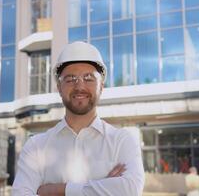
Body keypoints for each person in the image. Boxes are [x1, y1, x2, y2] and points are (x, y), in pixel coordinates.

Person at [12, 41, 145, 196]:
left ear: (101, 87)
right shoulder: (36, 147)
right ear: (59, 89)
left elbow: (131, 189)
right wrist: (104, 187)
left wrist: (57, 190)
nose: (79, 86)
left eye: (88, 78)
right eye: (70, 79)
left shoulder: (122, 141)